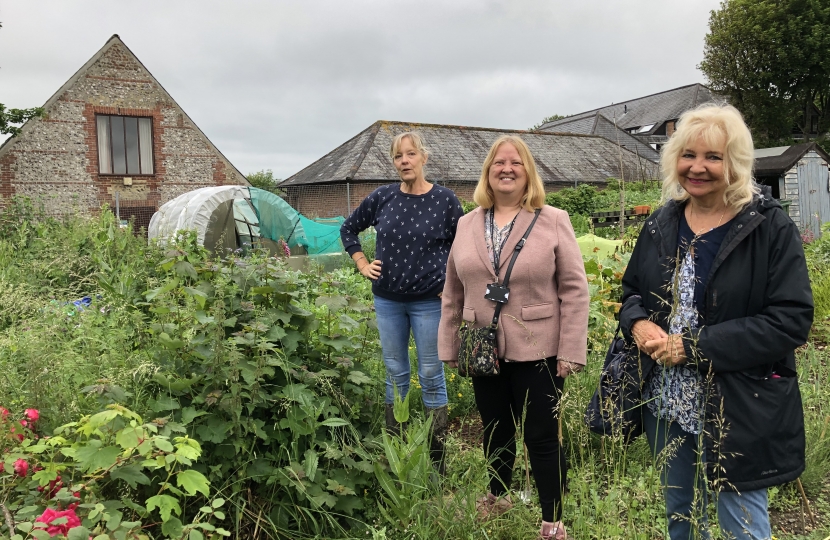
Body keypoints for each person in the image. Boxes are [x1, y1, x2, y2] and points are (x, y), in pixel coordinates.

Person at [620, 104, 813, 540]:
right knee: (682, 518)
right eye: (688, 155)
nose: (698, 167)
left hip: (739, 401)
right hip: (667, 399)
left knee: (742, 523)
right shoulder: (662, 222)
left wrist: (694, 346)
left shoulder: (767, 226)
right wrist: (637, 324)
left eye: (713, 157)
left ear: (736, 163)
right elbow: (630, 290)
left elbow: (790, 320)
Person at [438, 135, 589, 540]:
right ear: (487, 172)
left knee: (541, 434)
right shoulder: (466, 223)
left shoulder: (553, 218)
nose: (506, 169)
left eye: (516, 163)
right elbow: (452, 290)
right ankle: (498, 495)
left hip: (539, 345)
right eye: (498, 163)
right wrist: (448, 344)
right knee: (494, 428)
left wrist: (572, 348)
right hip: (481, 345)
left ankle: (552, 520)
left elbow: (575, 289)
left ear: (528, 173)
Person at [340, 131, 464, 473]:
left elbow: (463, 248)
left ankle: (437, 460)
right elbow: (349, 229)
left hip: (429, 302)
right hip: (388, 301)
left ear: (424, 158)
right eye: (398, 157)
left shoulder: (445, 200)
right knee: (395, 374)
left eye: (410, 154)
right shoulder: (382, 197)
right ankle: (397, 453)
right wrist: (362, 263)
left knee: (431, 373)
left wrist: (452, 286)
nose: (404, 162)